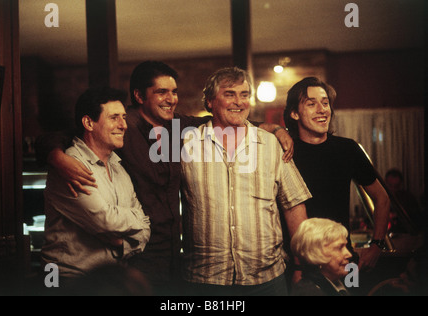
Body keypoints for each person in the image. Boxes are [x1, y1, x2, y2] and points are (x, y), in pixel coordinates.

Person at [37, 61, 294, 295]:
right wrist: (56, 156)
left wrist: (275, 128)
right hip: (136, 257)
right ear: (139, 96)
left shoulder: (178, 126)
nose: (171, 99)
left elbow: (227, 117)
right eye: (161, 92)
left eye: (174, 92)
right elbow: (69, 134)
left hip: (173, 257)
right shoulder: (123, 126)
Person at [180, 67, 311, 296]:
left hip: (267, 279)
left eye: (244, 94)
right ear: (210, 101)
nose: (238, 102)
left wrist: (301, 266)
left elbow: (294, 206)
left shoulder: (271, 145)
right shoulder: (186, 146)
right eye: (229, 94)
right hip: (205, 280)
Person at [41, 87, 151, 287]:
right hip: (66, 280)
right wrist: (138, 220)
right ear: (88, 123)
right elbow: (105, 220)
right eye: (114, 117)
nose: (124, 125)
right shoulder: (71, 166)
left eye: (124, 117)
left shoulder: (118, 167)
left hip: (107, 280)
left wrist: (121, 245)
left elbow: (146, 229)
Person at [283, 77, 390, 272]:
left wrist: (377, 245)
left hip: (346, 260)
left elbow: (382, 198)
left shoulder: (348, 148)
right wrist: (276, 130)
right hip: (297, 265)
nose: (322, 109)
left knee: (351, 291)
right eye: (311, 104)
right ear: (294, 113)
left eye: (325, 103)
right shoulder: (285, 152)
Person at [290, 218, 353, 296]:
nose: (349, 254)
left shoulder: (338, 281)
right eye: (340, 248)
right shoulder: (308, 293)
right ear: (316, 253)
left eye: (345, 246)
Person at [385, 168, 423, 233]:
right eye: (390, 185)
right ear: (385, 183)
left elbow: (417, 221)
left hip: (404, 234)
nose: (393, 189)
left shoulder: (408, 198)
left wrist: (396, 216)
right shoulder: (380, 197)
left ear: (401, 185)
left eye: (396, 186)